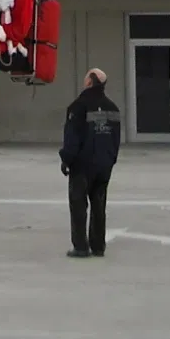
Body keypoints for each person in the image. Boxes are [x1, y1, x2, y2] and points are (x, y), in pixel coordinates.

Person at [60, 67, 122, 257]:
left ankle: (80, 246)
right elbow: (115, 138)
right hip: (104, 164)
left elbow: (73, 137)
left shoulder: (78, 106)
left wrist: (66, 159)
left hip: (83, 163)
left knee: (78, 204)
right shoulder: (113, 108)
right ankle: (98, 246)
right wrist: (111, 159)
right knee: (99, 204)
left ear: (89, 82)